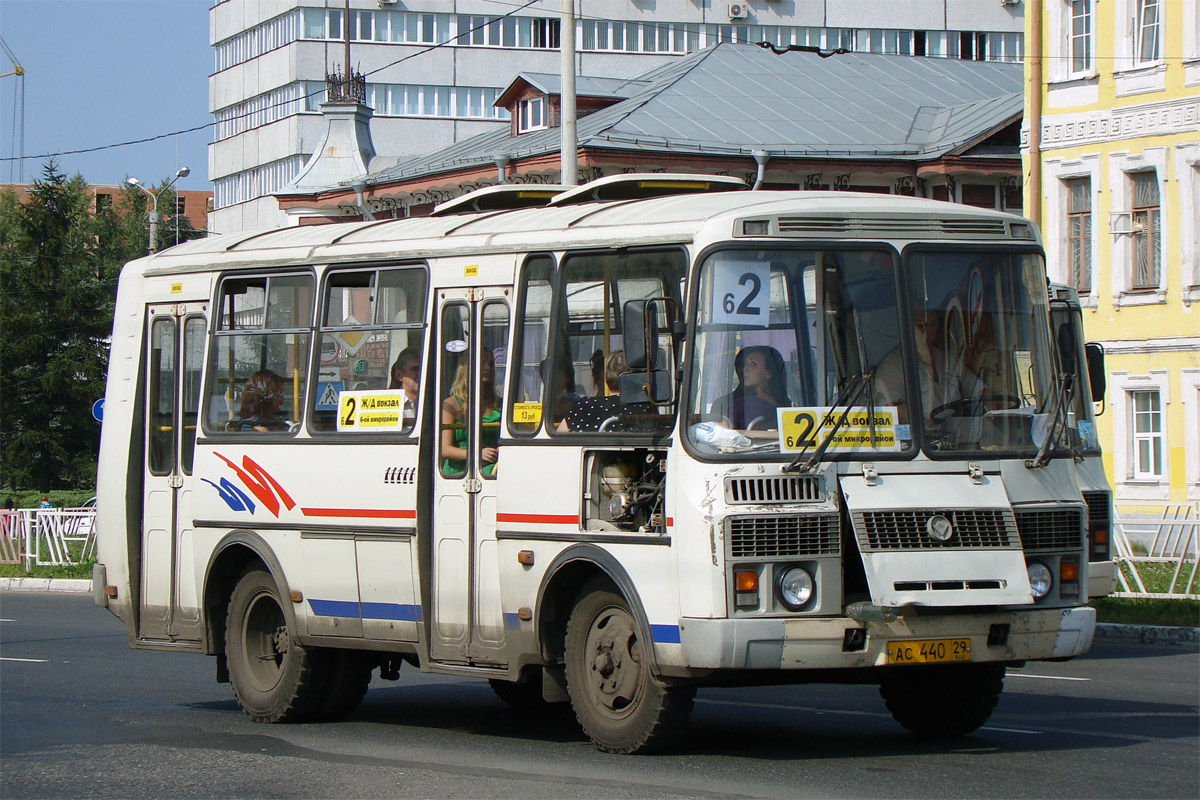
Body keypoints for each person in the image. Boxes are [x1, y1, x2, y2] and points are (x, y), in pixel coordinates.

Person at [441, 349, 501, 476]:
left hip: (495, 467)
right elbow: (444, 449)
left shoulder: (499, 404)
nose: (487, 368)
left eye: (490, 363)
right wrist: (477, 453)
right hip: (461, 472)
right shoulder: (450, 405)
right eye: (482, 362)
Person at [558, 350, 650, 432]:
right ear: (635, 380)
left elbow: (559, 436)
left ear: (606, 379)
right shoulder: (644, 409)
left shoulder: (583, 407)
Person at [713, 345, 790, 430]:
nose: (745, 368)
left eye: (753, 364)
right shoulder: (734, 404)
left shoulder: (789, 407)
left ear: (768, 373)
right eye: (745, 364)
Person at [389, 346, 421, 433]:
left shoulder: (433, 403)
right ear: (399, 375)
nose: (421, 374)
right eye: (415, 369)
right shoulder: (389, 406)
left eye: (423, 369)